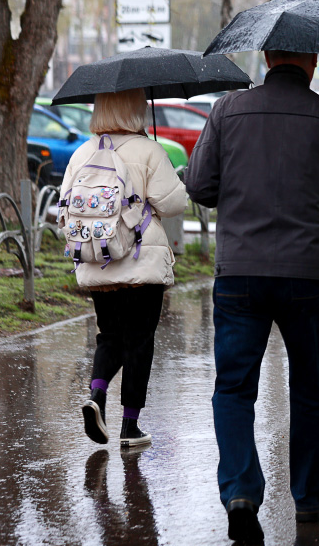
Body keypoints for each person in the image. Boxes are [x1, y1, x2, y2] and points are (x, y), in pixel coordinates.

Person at [185, 49, 319, 544]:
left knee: (234, 387)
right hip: (307, 275)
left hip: (240, 273)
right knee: (311, 387)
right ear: (313, 61)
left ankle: (240, 491)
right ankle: (309, 499)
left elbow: (201, 187)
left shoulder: (227, 110)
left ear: (267, 56)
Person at [70, 89, 187, 450]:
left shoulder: (82, 152)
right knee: (138, 340)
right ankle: (130, 427)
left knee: (109, 336)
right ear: (136, 109)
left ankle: (97, 394)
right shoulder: (148, 150)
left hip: (98, 258)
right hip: (142, 260)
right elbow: (175, 204)